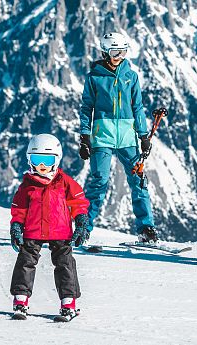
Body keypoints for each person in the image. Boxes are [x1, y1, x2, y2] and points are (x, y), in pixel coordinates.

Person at [78, 32, 157, 243]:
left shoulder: (131, 76)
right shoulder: (94, 77)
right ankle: (84, 227)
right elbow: (86, 108)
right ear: (105, 52)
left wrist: (143, 135)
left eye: (123, 52)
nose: (119, 57)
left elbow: (137, 107)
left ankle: (146, 228)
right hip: (102, 136)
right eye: (115, 52)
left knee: (138, 181)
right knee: (99, 181)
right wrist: (85, 136)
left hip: (127, 138)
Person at [8, 134, 90, 321]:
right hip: (33, 231)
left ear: (57, 160)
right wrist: (16, 226)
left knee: (65, 264)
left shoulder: (64, 181)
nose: (42, 166)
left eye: (47, 161)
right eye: (37, 160)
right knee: (25, 262)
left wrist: (81, 221)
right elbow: (19, 209)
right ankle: (20, 300)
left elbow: (78, 203)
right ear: (29, 160)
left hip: (60, 232)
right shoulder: (27, 185)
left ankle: (68, 303)